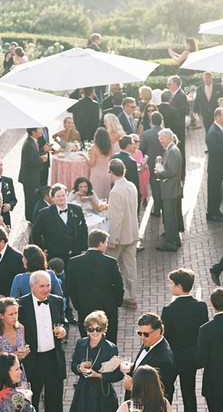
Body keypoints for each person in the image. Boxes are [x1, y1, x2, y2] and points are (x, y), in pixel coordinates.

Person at [66, 311, 123, 412]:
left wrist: (99, 375)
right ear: (86, 330)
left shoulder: (110, 348)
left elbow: (117, 374)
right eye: (91, 329)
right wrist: (79, 368)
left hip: (103, 393)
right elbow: (74, 363)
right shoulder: (81, 343)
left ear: (104, 329)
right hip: (85, 390)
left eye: (98, 329)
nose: (95, 333)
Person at [18, 271, 70, 412]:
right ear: (31, 286)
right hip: (33, 360)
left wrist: (64, 332)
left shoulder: (56, 301)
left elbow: (63, 323)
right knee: (31, 401)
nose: (46, 289)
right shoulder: (21, 305)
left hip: (53, 358)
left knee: (55, 399)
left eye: (48, 285)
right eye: (42, 286)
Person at [160, 268, 208, 412]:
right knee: (189, 396)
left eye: (172, 284)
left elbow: (165, 337)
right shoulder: (201, 307)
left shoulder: (169, 310)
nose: (170, 287)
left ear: (179, 287)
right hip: (191, 359)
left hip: (172, 359)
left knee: (167, 395)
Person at [66, 230, 124, 343]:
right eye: (106, 242)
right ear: (101, 243)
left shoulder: (74, 262)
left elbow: (71, 288)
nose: (106, 245)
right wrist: (117, 303)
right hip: (107, 309)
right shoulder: (110, 262)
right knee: (109, 342)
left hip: (85, 308)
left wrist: (78, 305)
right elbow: (118, 285)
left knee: (87, 342)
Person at [107, 159, 139, 308]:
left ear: (111, 172)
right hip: (132, 233)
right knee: (130, 268)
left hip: (120, 237)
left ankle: (111, 295)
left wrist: (113, 239)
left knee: (110, 267)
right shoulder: (131, 185)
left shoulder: (115, 191)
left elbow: (116, 218)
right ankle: (131, 297)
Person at [31, 183, 88, 267]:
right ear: (53, 198)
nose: (61, 198)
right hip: (55, 255)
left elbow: (83, 229)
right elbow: (35, 232)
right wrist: (41, 249)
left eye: (63, 195)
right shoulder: (44, 213)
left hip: (76, 254)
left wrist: (84, 248)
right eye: (58, 196)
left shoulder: (77, 209)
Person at [155, 128, 183, 251]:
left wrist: (159, 173)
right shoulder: (171, 150)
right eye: (159, 138)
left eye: (161, 138)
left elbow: (172, 171)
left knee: (170, 217)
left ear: (169, 138)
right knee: (173, 216)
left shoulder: (171, 151)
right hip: (172, 189)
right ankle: (175, 239)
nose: (160, 141)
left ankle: (171, 243)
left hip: (170, 190)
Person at [0, 298, 30, 382]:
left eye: (16, 313)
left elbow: (23, 346)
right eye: (11, 314)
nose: (15, 317)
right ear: (1, 316)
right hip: (3, 376)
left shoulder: (20, 328)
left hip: (19, 374)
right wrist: (11, 356)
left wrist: (25, 351)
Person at [19, 128, 48, 222]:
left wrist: (43, 150)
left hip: (32, 176)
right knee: (31, 199)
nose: (41, 131)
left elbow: (33, 155)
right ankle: (31, 218)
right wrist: (41, 160)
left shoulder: (32, 142)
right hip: (29, 178)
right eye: (39, 130)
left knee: (32, 198)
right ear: (33, 132)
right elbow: (28, 161)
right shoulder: (28, 144)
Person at [140, 111, 165, 218]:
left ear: (151, 121)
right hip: (164, 163)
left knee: (155, 187)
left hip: (152, 164)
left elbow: (141, 149)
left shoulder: (147, 134)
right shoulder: (167, 133)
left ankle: (157, 209)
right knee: (163, 186)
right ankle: (164, 207)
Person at [80, 126, 113, 200]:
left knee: (96, 197)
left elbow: (91, 164)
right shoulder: (109, 148)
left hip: (96, 175)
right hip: (107, 175)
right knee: (105, 197)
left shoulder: (94, 149)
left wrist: (85, 156)